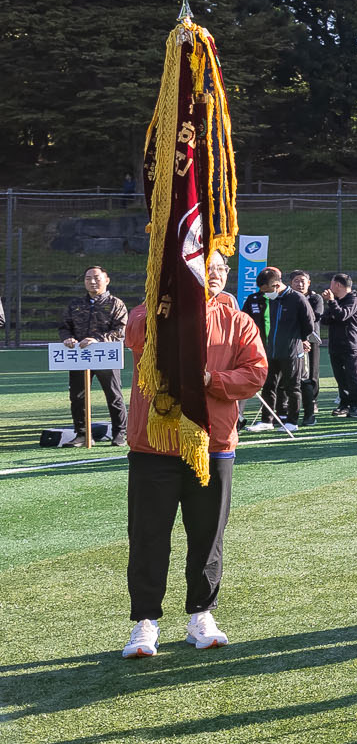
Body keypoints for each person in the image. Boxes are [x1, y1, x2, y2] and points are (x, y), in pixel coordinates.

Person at [120, 250, 266, 658]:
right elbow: (135, 336)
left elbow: (255, 372)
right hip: (155, 442)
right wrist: (165, 295)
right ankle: (144, 622)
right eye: (208, 270)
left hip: (213, 445)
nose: (216, 276)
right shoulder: (153, 311)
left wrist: (210, 380)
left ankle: (201, 614)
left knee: (207, 535)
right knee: (148, 536)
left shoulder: (238, 321)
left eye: (221, 270)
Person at [61, 266, 129, 446]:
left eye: (96, 278)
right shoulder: (75, 305)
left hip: (105, 355)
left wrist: (98, 340)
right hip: (80, 356)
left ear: (107, 280)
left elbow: (121, 330)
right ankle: (82, 434)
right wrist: (67, 338)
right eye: (88, 278)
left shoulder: (116, 304)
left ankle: (119, 433)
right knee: (77, 396)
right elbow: (64, 326)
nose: (92, 281)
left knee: (113, 394)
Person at [243, 263, 313, 434]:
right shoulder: (272, 300)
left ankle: (292, 421)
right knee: (268, 385)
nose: (265, 294)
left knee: (292, 387)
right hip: (270, 351)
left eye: (266, 290)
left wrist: (297, 341)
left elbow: (308, 325)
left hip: (291, 352)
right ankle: (267, 420)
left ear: (275, 285)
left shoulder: (297, 299)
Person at [317, 273, 357, 418]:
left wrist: (332, 303)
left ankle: (355, 405)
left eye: (332, 284)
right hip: (335, 344)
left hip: (351, 344)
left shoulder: (355, 299)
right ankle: (344, 404)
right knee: (340, 377)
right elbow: (325, 319)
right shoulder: (337, 300)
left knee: (352, 376)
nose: (329, 287)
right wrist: (333, 308)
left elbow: (342, 315)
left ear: (338, 285)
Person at [289, 272, 324, 419]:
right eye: (296, 281)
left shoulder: (316, 298)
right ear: (291, 283)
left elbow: (316, 315)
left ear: (309, 283)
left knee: (312, 372)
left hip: (311, 339)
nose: (300, 284)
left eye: (303, 281)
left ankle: (312, 401)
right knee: (292, 371)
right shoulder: (287, 298)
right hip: (292, 340)